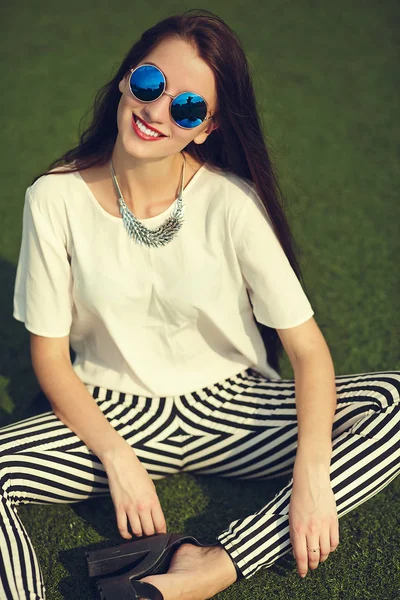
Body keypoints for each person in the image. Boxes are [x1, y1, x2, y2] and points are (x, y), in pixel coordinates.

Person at [4, 8, 399, 600]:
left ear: (207, 128)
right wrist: (116, 458)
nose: (157, 111)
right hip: (113, 412)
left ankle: (213, 566)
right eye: (149, 84)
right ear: (125, 78)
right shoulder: (53, 198)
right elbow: (52, 359)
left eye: (187, 107)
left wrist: (314, 474)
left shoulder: (232, 202)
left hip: (231, 407)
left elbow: (309, 353)